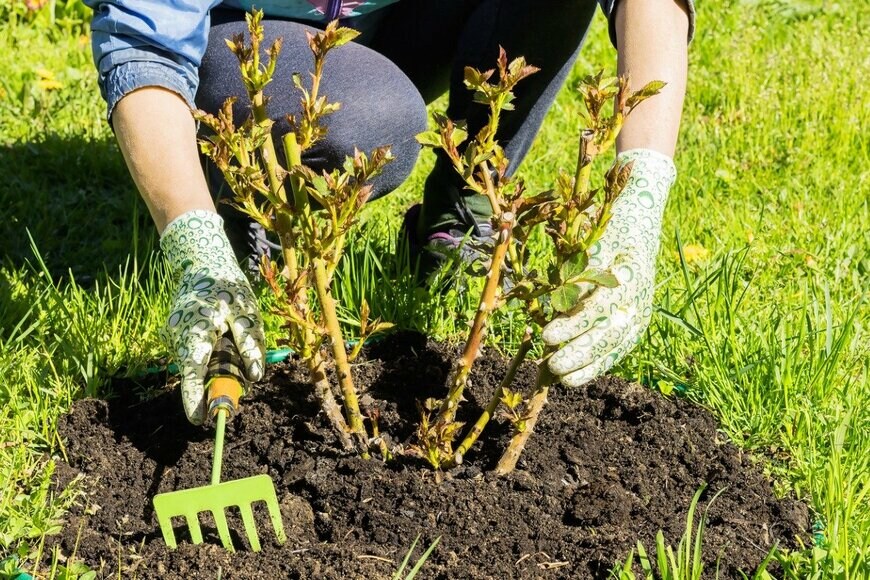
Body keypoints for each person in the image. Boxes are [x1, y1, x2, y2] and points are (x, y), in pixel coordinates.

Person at [84, 0, 694, 424]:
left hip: (395, 23)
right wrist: (194, 244)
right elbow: (143, 42)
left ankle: (460, 228)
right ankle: (254, 214)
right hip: (241, 38)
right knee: (373, 125)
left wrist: (639, 202)